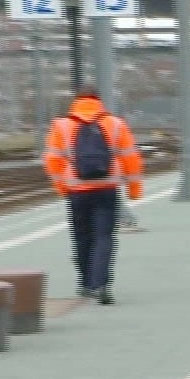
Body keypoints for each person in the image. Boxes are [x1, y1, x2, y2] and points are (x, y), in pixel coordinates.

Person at [43, 84, 144, 304]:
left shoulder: (62, 125)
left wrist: (61, 187)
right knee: (104, 236)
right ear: (99, 100)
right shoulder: (115, 124)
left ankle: (86, 283)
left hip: (76, 190)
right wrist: (134, 188)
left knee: (81, 237)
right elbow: (131, 158)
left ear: (76, 101)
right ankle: (102, 284)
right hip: (107, 188)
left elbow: (52, 160)